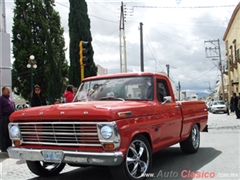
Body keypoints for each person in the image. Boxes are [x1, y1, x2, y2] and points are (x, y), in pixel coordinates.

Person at [0, 86, 15, 152]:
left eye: (9, 90)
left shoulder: (10, 98)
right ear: (3, 91)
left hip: (10, 117)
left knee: (10, 132)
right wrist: (1, 117)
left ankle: (9, 146)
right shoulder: (1, 99)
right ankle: (4, 148)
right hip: (4, 117)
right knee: (4, 133)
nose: (9, 92)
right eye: (7, 90)